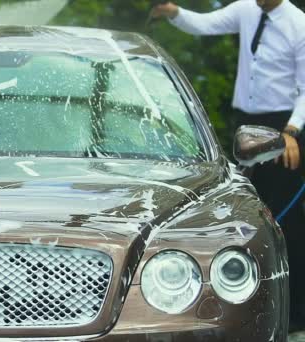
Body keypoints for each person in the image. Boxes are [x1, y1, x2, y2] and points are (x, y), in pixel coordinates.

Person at [152, 0, 305, 330]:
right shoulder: (247, 10)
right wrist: (173, 12)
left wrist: (291, 131)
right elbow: (206, 24)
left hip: (282, 129)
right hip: (246, 125)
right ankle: (251, 296)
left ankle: (295, 313)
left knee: (285, 220)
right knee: (248, 214)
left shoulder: (299, 25)